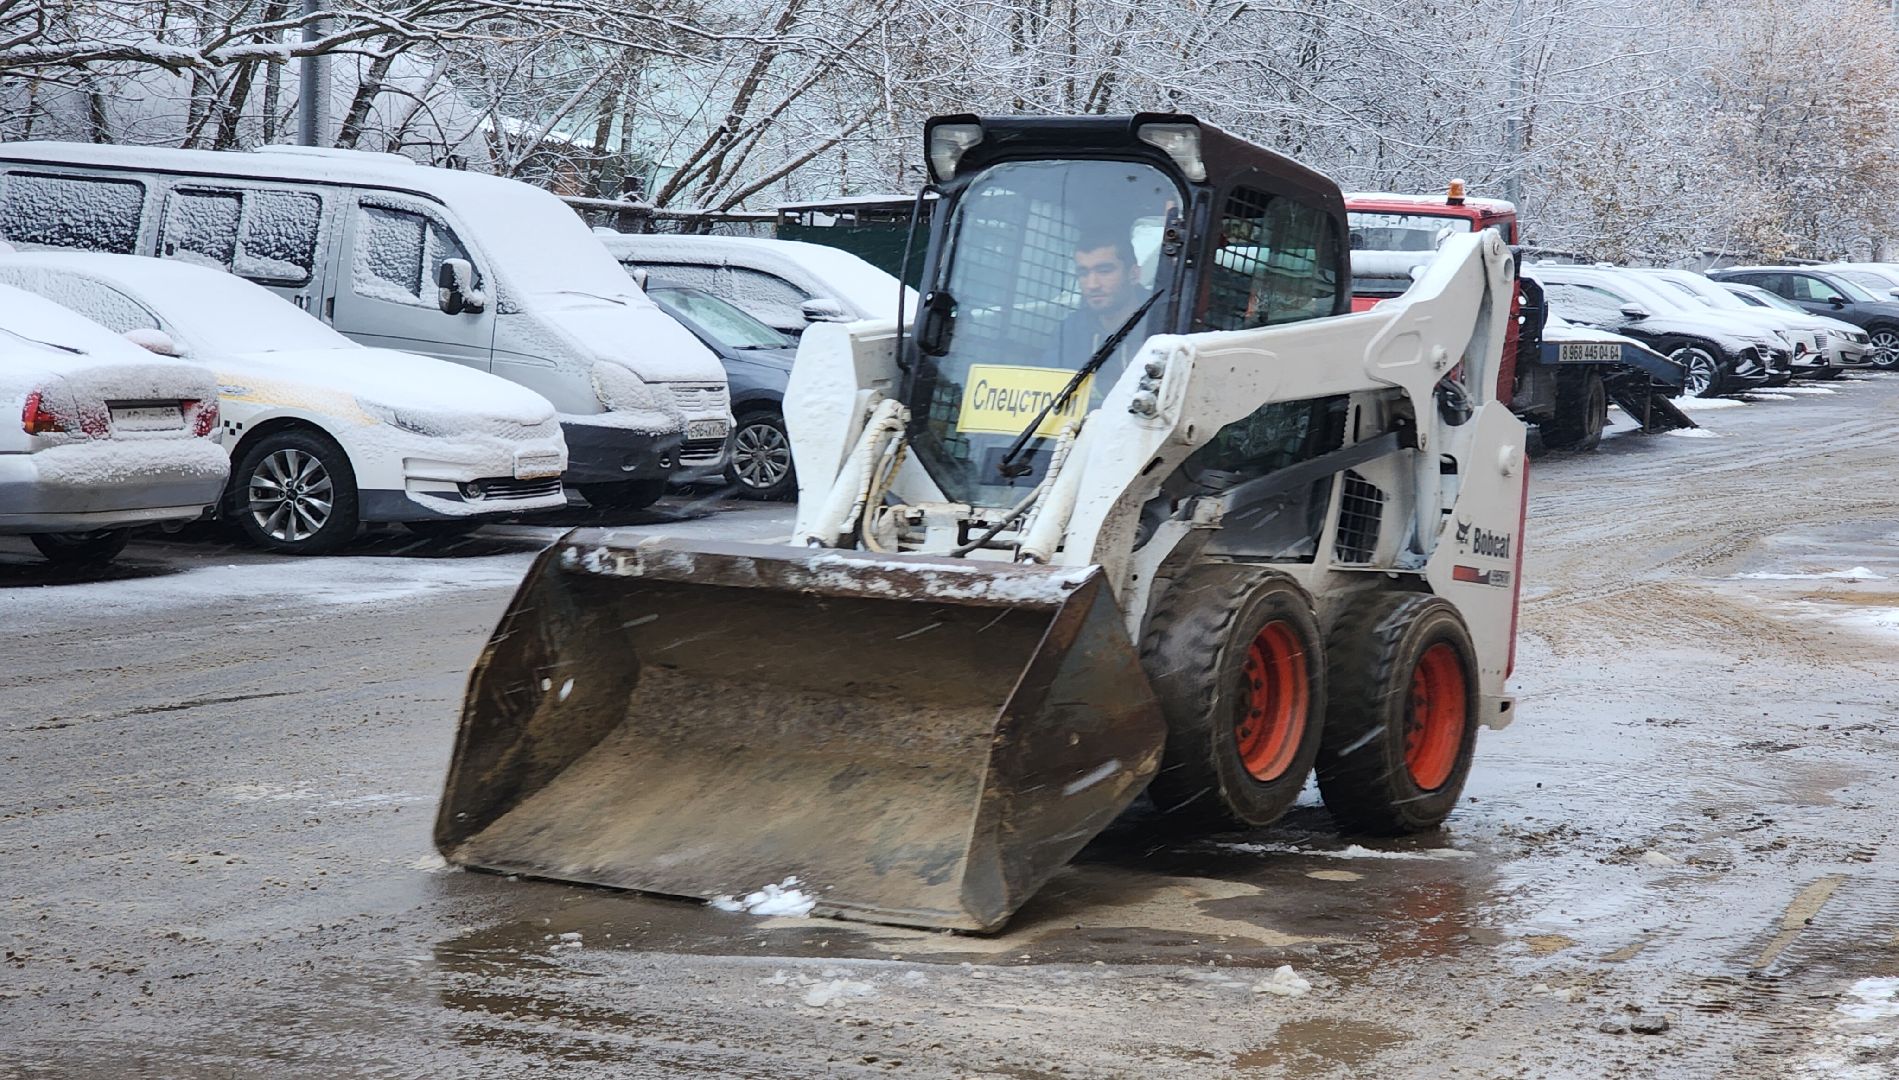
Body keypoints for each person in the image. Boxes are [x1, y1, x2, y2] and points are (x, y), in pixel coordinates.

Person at [1044, 229, 1153, 391]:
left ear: (1134, 275)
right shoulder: (1069, 332)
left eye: (1104, 271)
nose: (1092, 284)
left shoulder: (1162, 324)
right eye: (1083, 273)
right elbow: (1049, 390)